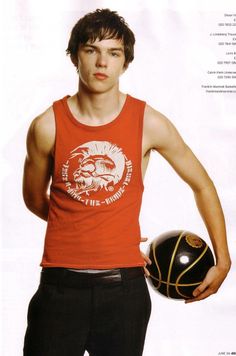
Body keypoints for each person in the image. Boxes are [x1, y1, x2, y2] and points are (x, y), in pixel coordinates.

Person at [22, 8, 231, 356]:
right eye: (91, 50)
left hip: (125, 293)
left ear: (125, 62)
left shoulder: (149, 122)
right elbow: (33, 198)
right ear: (75, 56)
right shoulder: (47, 126)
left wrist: (223, 261)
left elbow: (203, 184)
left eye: (113, 53)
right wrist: (92, 229)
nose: (102, 62)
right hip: (59, 290)